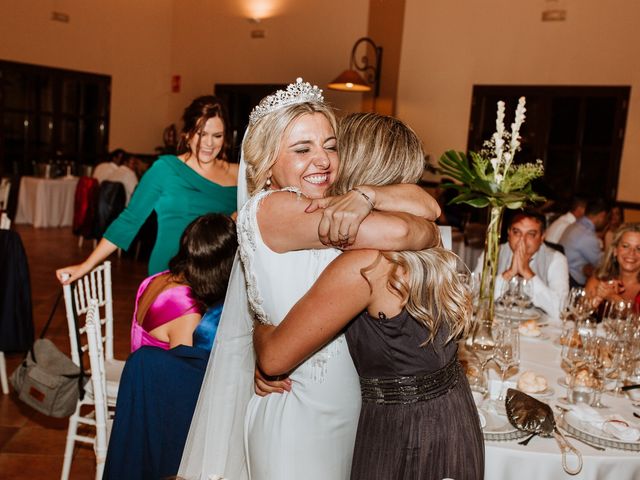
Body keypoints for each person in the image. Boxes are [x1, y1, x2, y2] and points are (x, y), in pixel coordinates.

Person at [178, 79, 441, 480]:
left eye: (331, 146)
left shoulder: (321, 207)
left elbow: (429, 205)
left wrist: (367, 195)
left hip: (339, 402)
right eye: (303, 150)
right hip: (300, 411)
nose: (323, 160)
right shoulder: (274, 209)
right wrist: (406, 219)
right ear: (266, 163)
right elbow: (410, 230)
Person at [253, 112, 484, 479]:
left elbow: (273, 358)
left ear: (354, 162)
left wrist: (260, 326)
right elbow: (430, 210)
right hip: (453, 414)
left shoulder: (363, 264)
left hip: (403, 434)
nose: (326, 161)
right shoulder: (422, 239)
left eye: (334, 148)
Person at [103, 213, 237, 480]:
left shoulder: (158, 278)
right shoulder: (187, 306)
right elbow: (181, 375)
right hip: (155, 402)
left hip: (140, 385)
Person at [56, 96, 238, 283]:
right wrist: (86, 265)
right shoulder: (165, 169)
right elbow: (129, 220)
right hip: (171, 276)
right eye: (201, 133)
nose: (209, 143)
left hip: (221, 278)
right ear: (186, 133)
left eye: (217, 136)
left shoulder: (239, 174)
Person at [130, 213, 237, 352]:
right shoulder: (186, 308)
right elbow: (183, 370)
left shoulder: (156, 279)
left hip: (138, 367)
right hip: (156, 372)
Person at [474, 210, 569, 318]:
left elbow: (561, 311)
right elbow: (475, 301)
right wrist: (509, 273)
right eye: (517, 232)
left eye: (531, 234)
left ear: (542, 237)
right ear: (509, 233)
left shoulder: (556, 259)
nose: (522, 240)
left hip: (539, 329)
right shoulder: (492, 253)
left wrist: (527, 272)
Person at [585, 223, 640, 310]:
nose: (631, 253)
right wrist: (594, 302)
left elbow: (636, 322)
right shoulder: (598, 280)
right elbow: (577, 316)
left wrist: (613, 297)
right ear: (615, 251)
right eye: (625, 246)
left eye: (639, 248)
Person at [560, 197, 609, 287]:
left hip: (563, 273)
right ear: (602, 215)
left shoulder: (573, 225)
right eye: (607, 218)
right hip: (573, 282)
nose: (607, 221)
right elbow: (603, 264)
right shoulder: (587, 235)